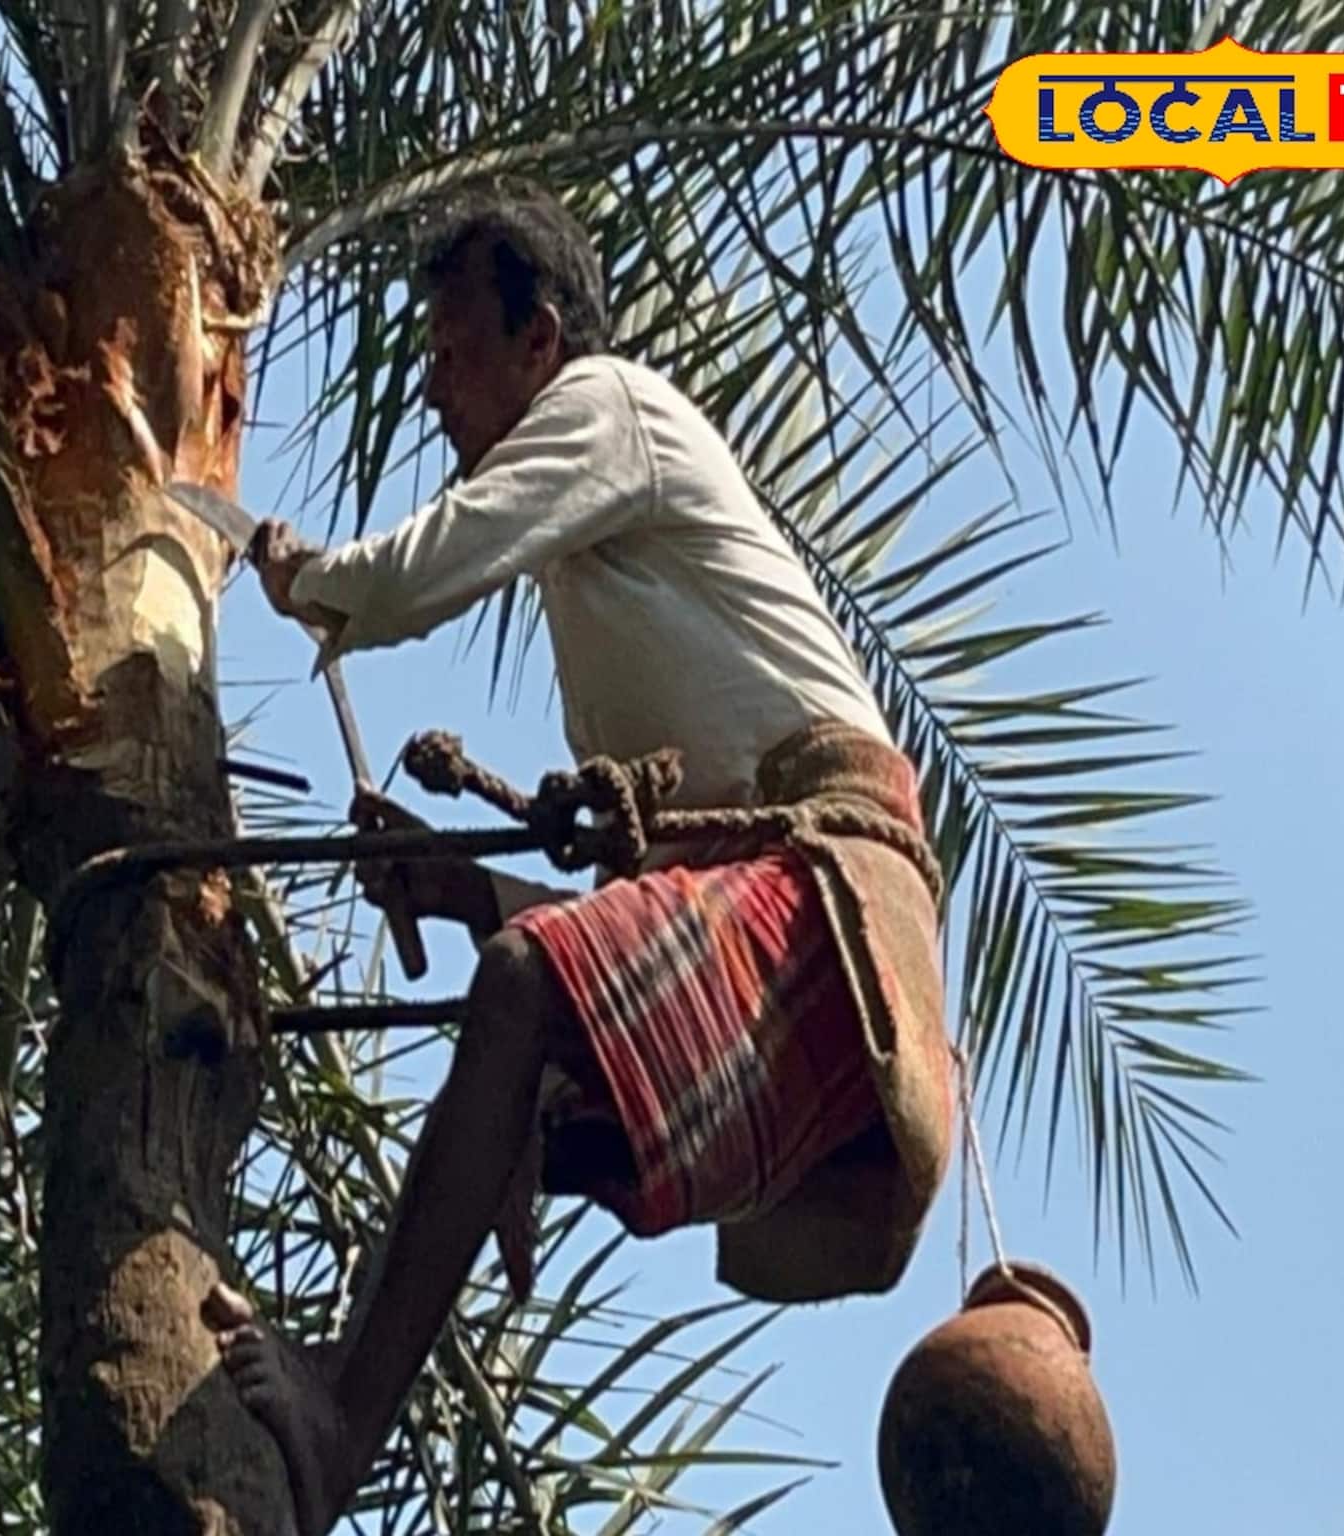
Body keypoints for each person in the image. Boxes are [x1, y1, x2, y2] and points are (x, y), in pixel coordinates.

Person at [203, 182, 954, 1536]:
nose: (434, 390)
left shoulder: (611, 405)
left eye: (451, 349)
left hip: (830, 892)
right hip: (802, 924)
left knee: (523, 992)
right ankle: (326, 1385)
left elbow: (415, 575)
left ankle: (341, 1420)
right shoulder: (616, 613)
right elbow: (644, 920)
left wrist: (305, 574)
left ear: (540, 338)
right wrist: (465, 883)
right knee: (531, 1052)